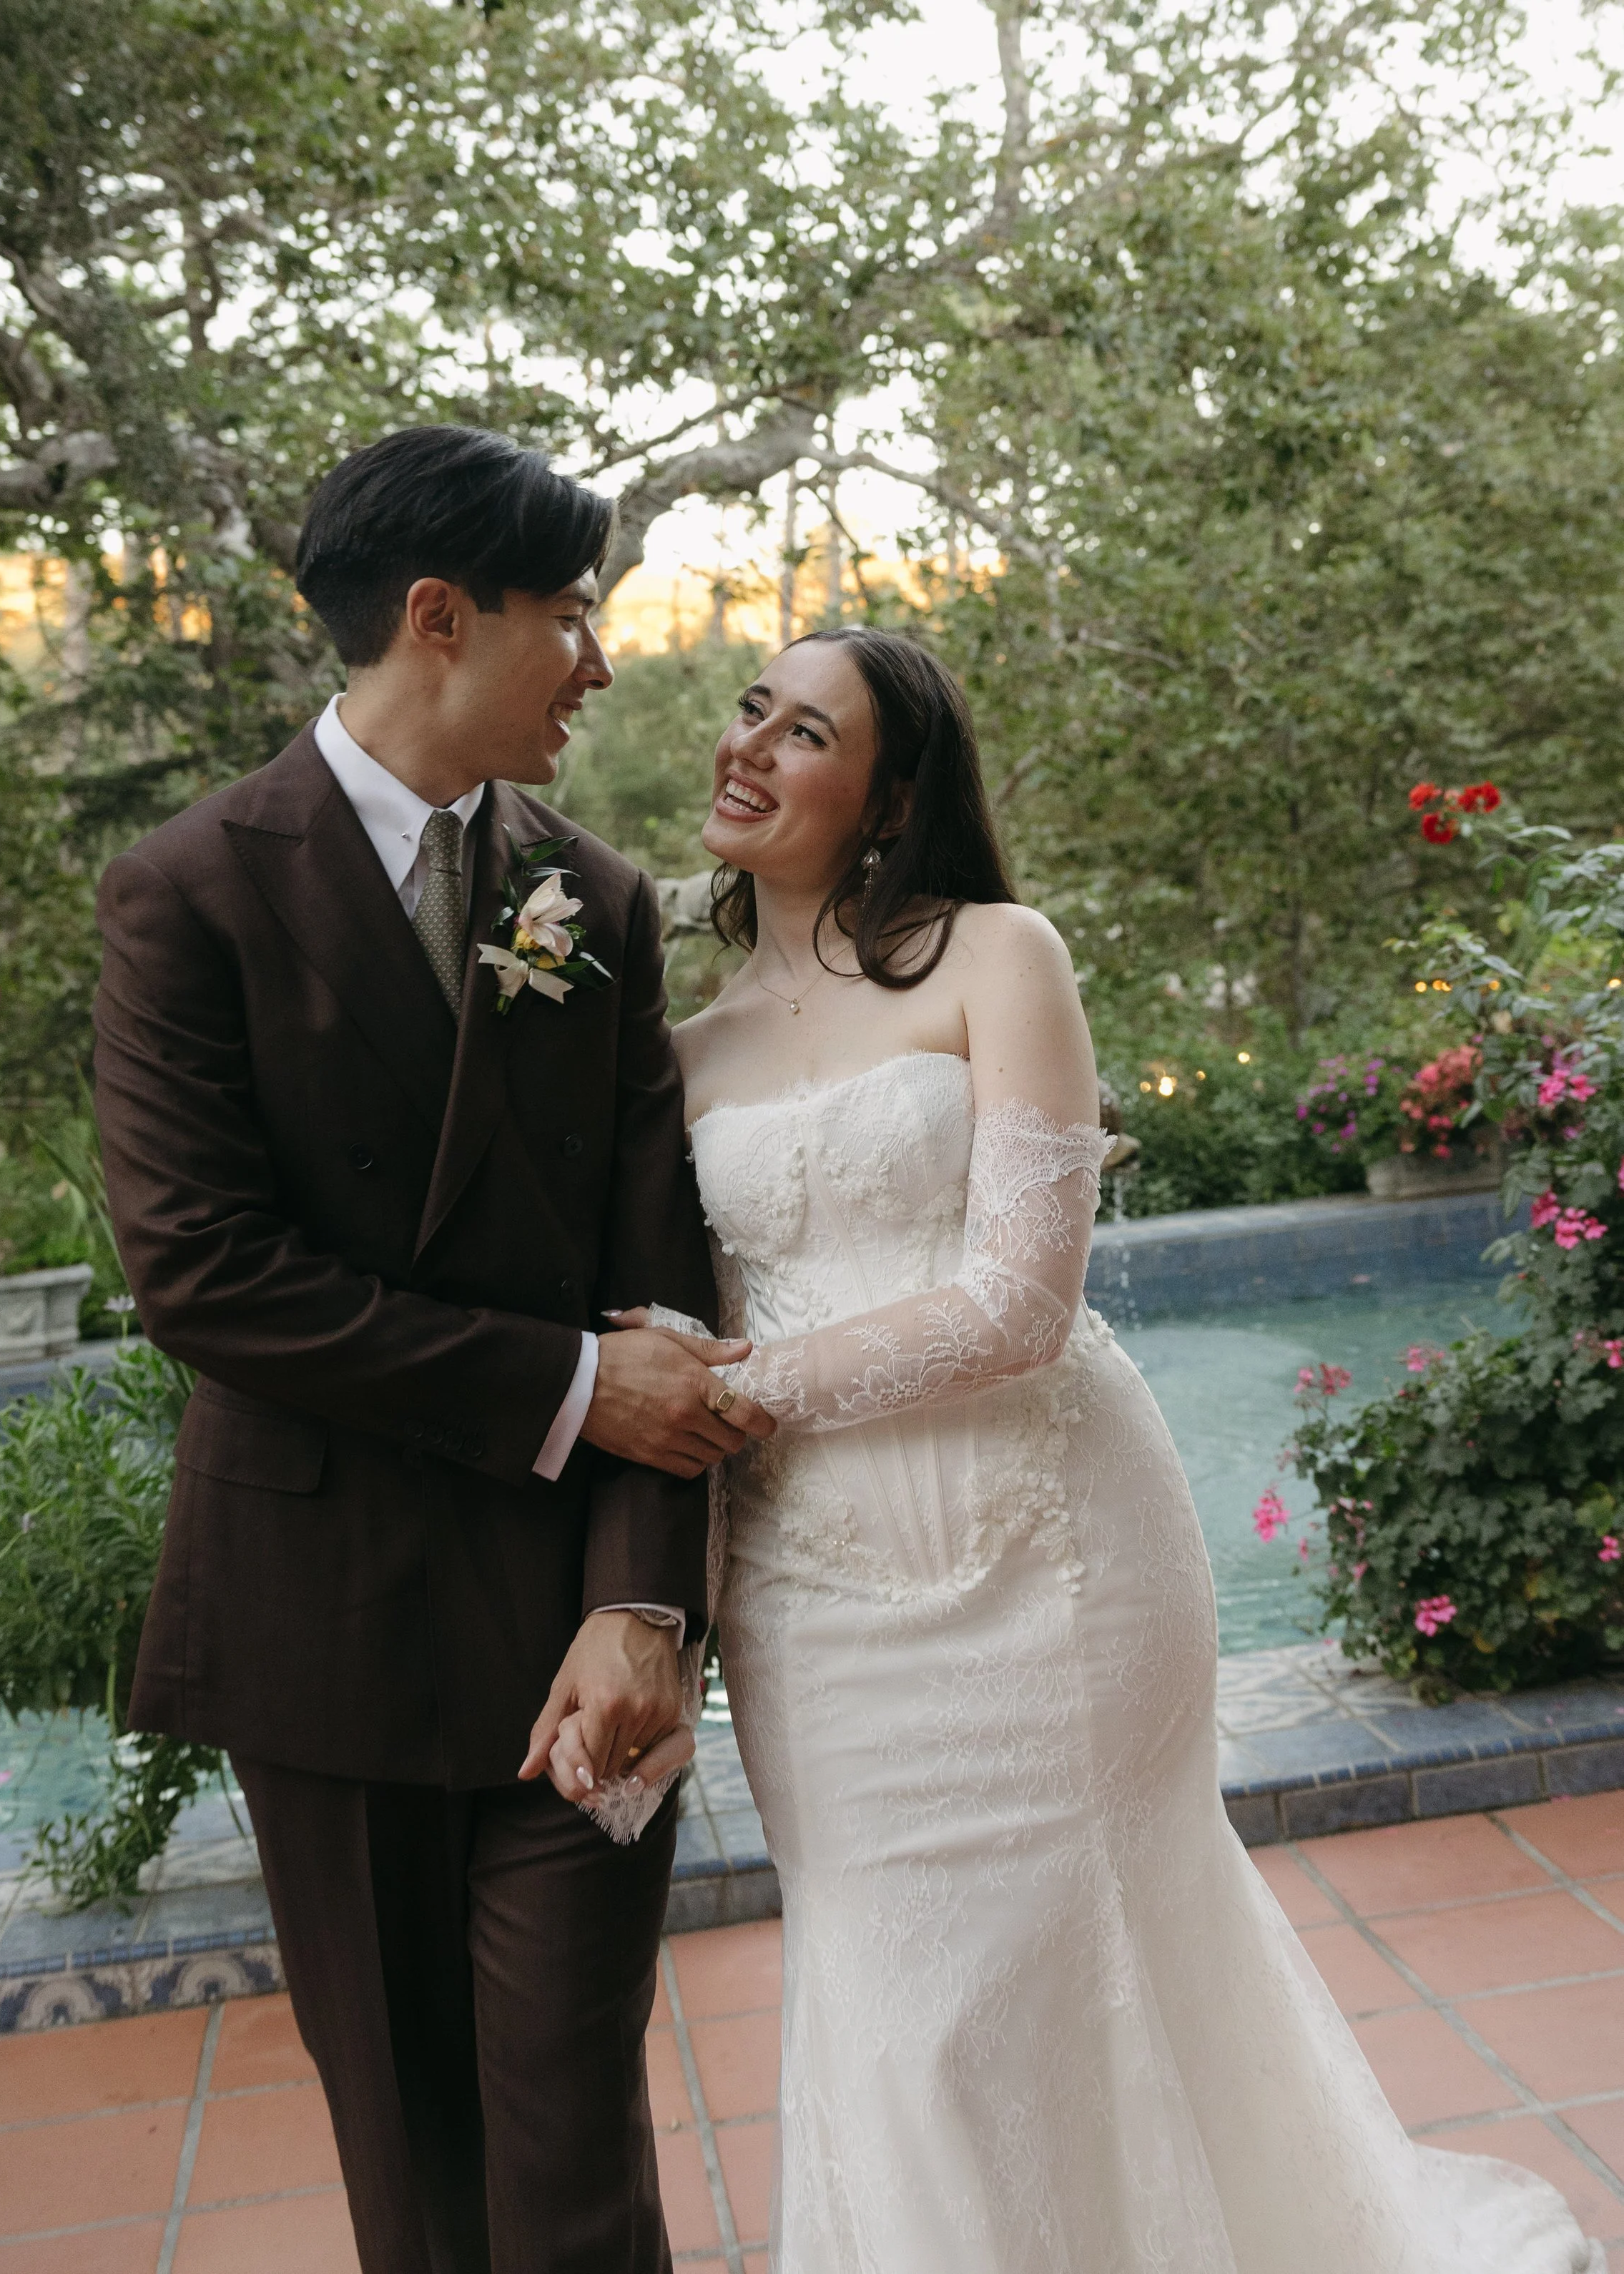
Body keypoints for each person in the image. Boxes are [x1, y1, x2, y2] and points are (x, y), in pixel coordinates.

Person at [553, 625, 1600, 2271]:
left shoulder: (995, 956)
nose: (746, 745)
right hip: (817, 1601)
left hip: (1057, 1562)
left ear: (889, 795)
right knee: (904, 2002)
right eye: (750, 709)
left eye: (804, 730)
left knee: (1093, 1941)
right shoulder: (673, 1061)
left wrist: (731, 1395)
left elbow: (1018, 1304)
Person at [92, 423, 773, 2274]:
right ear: (438, 616)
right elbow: (204, 1273)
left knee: (571, 2136)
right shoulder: (190, 889)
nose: (604, 662)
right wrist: (561, 1385)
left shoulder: (596, 902)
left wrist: (649, 1606)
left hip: (581, 1632)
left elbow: (660, 1285)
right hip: (325, 1625)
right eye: (573, 615)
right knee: (409, 2146)